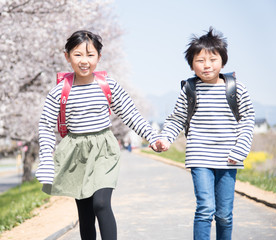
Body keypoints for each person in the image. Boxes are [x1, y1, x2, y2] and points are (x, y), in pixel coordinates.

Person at [36, 30, 158, 240]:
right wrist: (46, 159)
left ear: (99, 58)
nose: (85, 61)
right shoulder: (59, 91)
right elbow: (46, 126)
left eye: (90, 55)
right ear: (67, 57)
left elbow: (129, 113)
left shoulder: (107, 85)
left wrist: (152, 137)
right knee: (85, 213)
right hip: (75, 152)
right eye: (78, 55)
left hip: (104, 149)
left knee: (100, 204)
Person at [156, 27, 255, 240]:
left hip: (230, 157)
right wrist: (165, 138)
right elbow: (177, 119)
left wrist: (240, 150)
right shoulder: (190, 89)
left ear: (223, 61)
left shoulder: (237, 89)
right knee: (205, 209)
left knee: (224, 215)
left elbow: (247, 121)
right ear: (191, 64)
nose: (206, 65)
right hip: (199, 155)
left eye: (212, 59)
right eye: (200, 61)